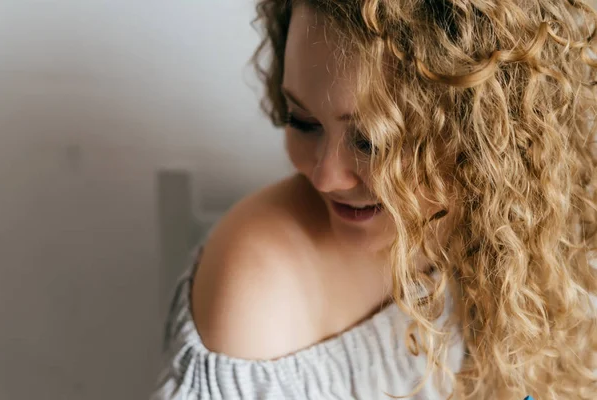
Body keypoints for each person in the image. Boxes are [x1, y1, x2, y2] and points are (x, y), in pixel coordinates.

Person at [151, 0, 597, 399]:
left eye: (371, 141)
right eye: (303, 121)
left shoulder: (554, 210)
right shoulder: (262, 282)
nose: (326, 177)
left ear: (490, 136)